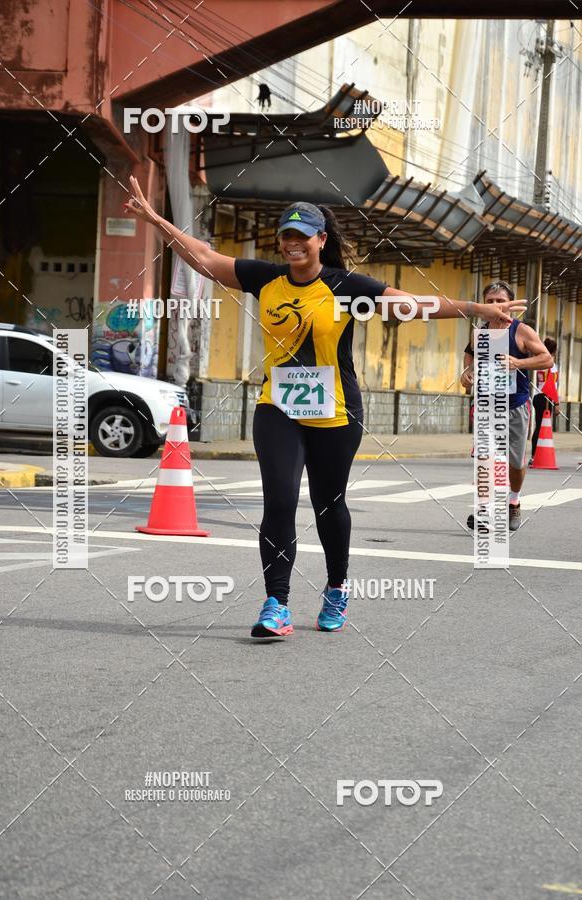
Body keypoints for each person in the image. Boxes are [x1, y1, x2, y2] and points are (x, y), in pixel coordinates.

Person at [124, 179, 526, 639]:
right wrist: (156, 221)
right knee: (279, 500)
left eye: (302, 235)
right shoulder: (266, 278)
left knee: (328, 503)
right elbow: (204, 258)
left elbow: (412, 305)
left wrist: (475, 308)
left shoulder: (345, 286)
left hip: (336, 411)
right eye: (286, 235)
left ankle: (336, 587)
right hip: (277, 407)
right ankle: (276, 603)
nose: (292, 243)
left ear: (321, 239)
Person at [460, 281, 553, 532]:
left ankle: (514, 501)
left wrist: (518, 363)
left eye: (500, 301)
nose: (495, 305)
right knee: (485, 457)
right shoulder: (479, 333)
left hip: (516, 406)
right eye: (489, 301)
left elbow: (546, 359)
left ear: (510, 304)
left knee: (516, 464)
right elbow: (470, 356)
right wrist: (466, 373)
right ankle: (484, 512)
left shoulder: (521, 331)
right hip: (486, 406)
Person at [530, 337, 560, 463]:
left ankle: (534, 454)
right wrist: (557, 403)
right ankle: (536, 455)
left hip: (538, 397)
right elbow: (552, 386)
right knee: (542, 428)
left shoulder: (540, 363)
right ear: (553, 351)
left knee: (539, 427)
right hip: (546, 398)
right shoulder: (551, 365)